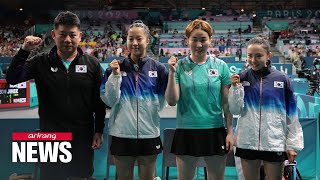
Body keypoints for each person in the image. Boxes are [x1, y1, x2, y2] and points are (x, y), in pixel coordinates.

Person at [6, 11, 106, 180]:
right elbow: (13, 78)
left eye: (72, 35)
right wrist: (24, 50)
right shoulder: (40, 62)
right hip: (51, 139)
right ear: (53, 35)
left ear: (79, 36)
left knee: (81, 177)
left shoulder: (92, 64)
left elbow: (99, 101)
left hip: (82, 138)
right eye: (62, 34)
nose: (68, 39)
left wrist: (99, 130)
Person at [165, 19, 234, 180]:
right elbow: (172, 101)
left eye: (203, 39)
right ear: (187, 40)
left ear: (210, 40)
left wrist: (230, 132)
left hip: (214, 130)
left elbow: (226, 103)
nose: (198, 44)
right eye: (194, 39)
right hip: (186, 130)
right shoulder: (179, 66)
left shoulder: (221, 66)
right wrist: (172, 73)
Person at [228, 34, 304, 180]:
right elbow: (235, 109)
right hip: (247, 142)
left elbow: (292, 115)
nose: (253, 60)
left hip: (274, 143)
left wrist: (293, 145)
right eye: (250, 55)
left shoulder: (282, 79)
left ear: (268, 55)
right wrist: (235, 88)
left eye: (258, 56)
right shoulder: (242, 77)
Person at [101, 20, 168, 180]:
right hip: (121, 134)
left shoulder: (159, 69)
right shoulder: (115, 67)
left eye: (139, 39)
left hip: (149, 134)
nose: (134, 43)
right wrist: (116, 76)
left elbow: (161, 104)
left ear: (147, 40)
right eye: (131, 39)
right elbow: (109, 100)